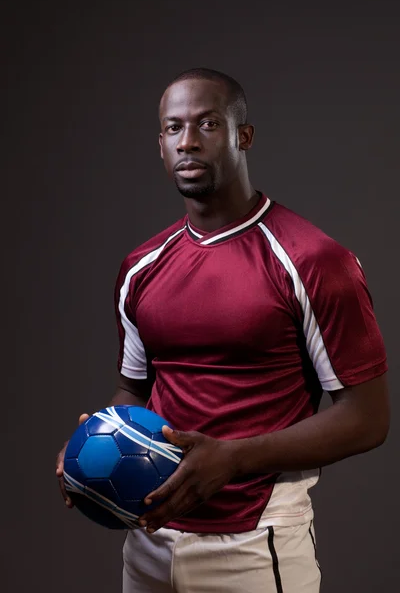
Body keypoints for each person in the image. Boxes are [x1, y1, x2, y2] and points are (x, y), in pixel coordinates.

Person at [56, 67, 390, 593]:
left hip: (254, 541)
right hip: (148, 535)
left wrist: (233, 459)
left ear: (243, 136)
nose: (188, 142)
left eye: (207, 124)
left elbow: (368, 420)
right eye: (173, 128)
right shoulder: (140, 267)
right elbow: (136, 389)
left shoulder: (313, 261)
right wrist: (91, 445)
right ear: (161, 144)